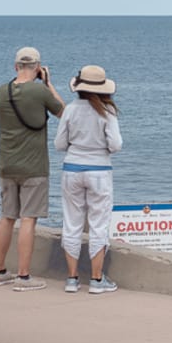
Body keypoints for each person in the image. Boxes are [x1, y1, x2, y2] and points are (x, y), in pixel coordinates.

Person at [0, 47, 64, 290]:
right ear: (38, 67)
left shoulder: (0, 92)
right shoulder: (40, 90)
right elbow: (63, 112)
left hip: (7, 163)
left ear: (15, 67)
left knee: (7, 217)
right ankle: (23, 277)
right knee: (28, 219)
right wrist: (48, 83)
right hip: (33, 165)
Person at [56, 64, 122, 294]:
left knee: (72, 223)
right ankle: (96, 280)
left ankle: (72, 279)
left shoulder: (70, 110)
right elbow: (115, 145)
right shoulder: (107, 112)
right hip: (99, 171)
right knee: (99, 224)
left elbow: (59, 145)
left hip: (72, 169)